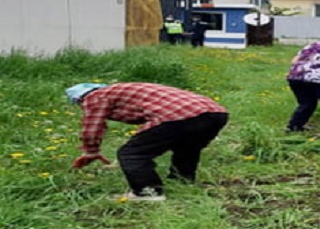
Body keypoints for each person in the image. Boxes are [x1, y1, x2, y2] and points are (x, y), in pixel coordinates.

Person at [66, 82, 229, 202]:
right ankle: (183, 182)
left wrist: (91, 151)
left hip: (180, 115)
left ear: (79, 99)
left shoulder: (93, 97)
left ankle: (148, 192)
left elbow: (93, 125)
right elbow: (154, 123)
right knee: (186, 147)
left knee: (131, 154)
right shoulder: (124, 90)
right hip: (216, 113)